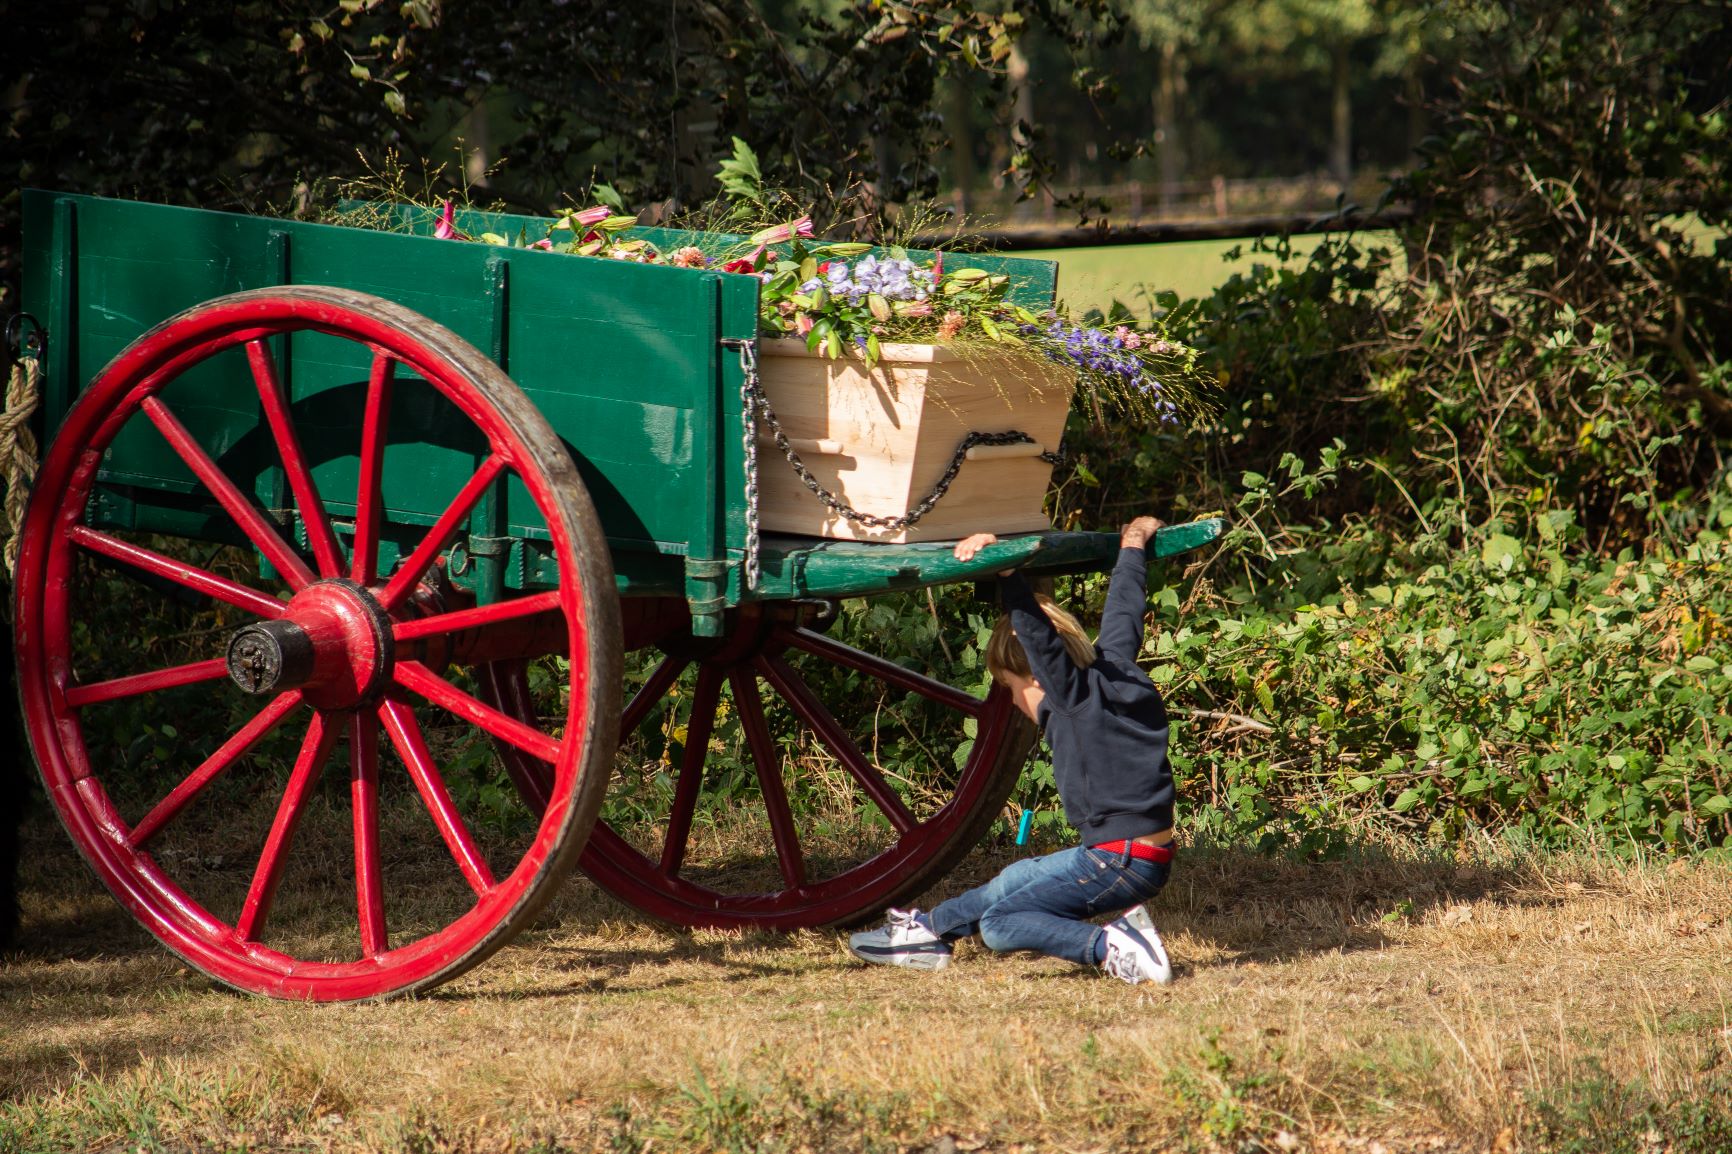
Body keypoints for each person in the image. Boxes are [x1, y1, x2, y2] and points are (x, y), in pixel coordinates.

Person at [848, 516, 1176, 984]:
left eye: (1010, 686)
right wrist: (1133, 543)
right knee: (1014, 878)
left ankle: (1113, 946)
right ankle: (929, 931)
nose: (1013, 699)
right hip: (1131, 855)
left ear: (1038, 677)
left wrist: (1005, 570)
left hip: (1117, 861)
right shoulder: (1116, 669)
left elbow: (1037, 640)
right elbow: (1123, 610)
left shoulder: (1071, 697)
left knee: (999, 926)